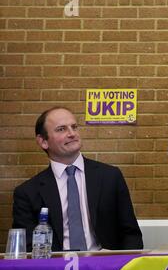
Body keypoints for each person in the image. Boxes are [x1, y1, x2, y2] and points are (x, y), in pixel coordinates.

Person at [12, 107, 143, 251]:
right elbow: (28, 247)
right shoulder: (27, 193)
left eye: (74, 127)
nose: (72, 134)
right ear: (43, 141)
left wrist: (118, 265)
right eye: (61, 129)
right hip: (55, 269)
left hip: (105, 267)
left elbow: (131, 234)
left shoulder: (110, 177)